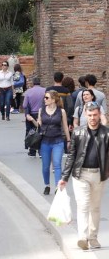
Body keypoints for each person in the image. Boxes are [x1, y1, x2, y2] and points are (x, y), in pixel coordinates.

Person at [59, 102, 109, 251]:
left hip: (99, 175)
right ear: (85, 115)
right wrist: (64, 177)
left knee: (95, 207)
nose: (92, 118)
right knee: (83, 206)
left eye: (95, 115)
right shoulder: (78, 132)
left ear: (99, 114)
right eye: (90, 115)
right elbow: (71, 156)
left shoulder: (106, 133)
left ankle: (93, 238)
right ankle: (82, 237)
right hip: (81, 174)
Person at [27, 90, 70, 195]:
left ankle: (57, 187)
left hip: (58, 141)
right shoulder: (42, 110)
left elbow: (65, 126)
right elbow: (39, 125)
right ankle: (47, 185)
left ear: (53, 99)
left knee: (57, 164)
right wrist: (32, 119)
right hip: (45, 142)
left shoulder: (61, 111)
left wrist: (68, 140)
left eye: (47, 98)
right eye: (44, 98)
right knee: (45, 166)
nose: (44, 99)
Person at [23, 77, 46, 157]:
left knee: (31, 132)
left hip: (31, 114)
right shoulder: (45, 90)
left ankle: (32, 151)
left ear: (33, 83)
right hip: (43, 113)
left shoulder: (28, 92)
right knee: (41, 132)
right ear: (40, 82)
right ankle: (41, 151)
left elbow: (24, 105)